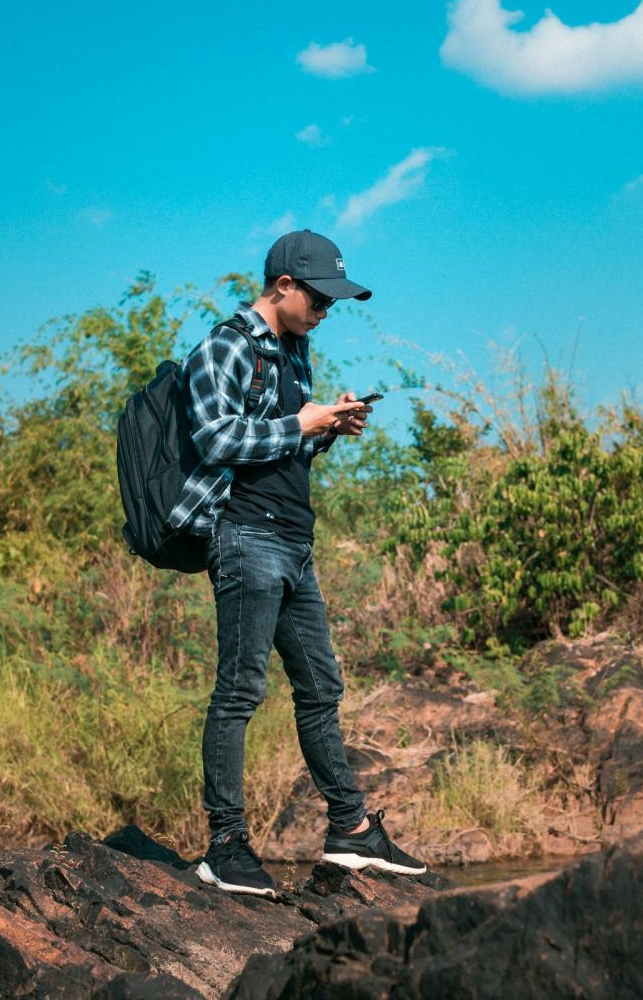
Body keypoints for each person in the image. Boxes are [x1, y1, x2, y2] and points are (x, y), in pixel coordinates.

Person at [176, 228, 426, 896]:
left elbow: (281, 448)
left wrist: (327, 429)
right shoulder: (225, 345)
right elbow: (216, 435)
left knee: (321, 687)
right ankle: (224, 846)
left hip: (294, 541)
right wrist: (304, 424)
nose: (324, 310)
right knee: (240, 691)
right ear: (283, 285)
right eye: (318, 297)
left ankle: (349, 829)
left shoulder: (296, 354)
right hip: (244, 538)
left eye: (332, 302)